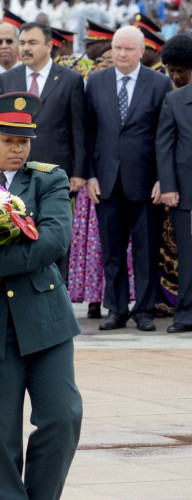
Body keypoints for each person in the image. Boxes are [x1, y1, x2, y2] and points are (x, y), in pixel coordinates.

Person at [0, 92, 82, 500]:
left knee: (63, 417)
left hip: (44, 317)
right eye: (9, 139)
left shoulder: (49, 178)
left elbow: (55, 239)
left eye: (25, 140)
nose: (19, 148)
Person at [85, 26, 172, 332]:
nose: (120, 54)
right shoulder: (95, 81)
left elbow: (166, 134)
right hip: (106, 181)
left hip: (147, 182)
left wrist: (165, 178)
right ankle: (116, 309)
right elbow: (89, 132)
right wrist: (90, 176)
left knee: (146, 250)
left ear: (141, 51)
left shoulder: (160, 83)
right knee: (112, 250)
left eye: (127, 49)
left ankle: (144, 311)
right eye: (116, 48)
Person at [0, 22, 87, 193]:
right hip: (15, 171)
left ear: (49, 46)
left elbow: (79, 130)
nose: (25, 48)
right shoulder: (6, 80)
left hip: (56, 171)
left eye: (32, 43)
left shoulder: (70, 80)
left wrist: (79, 172)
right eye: (22, 43)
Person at [155, 33, 192, 333]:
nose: (176, 76)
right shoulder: (174, 100)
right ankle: (186, 315)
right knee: (188, 258)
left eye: (182, 70)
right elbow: (163, 146)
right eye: (172, 71)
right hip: (186, 195)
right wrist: (168, 187)